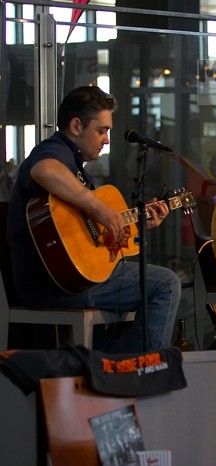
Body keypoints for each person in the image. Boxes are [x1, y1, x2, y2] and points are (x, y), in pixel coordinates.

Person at [7, 86, 180, 352]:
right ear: (76, 126)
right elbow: (44, 170)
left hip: (68, 281)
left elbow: (88, 240)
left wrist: (138, 224)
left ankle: (109, 362)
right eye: (102, 130)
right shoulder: (55, 150)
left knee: (154, 283)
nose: (107, 139)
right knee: (166, 284)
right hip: (57, 286)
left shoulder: (75, 167)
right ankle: (139, 369)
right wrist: (99, 208)